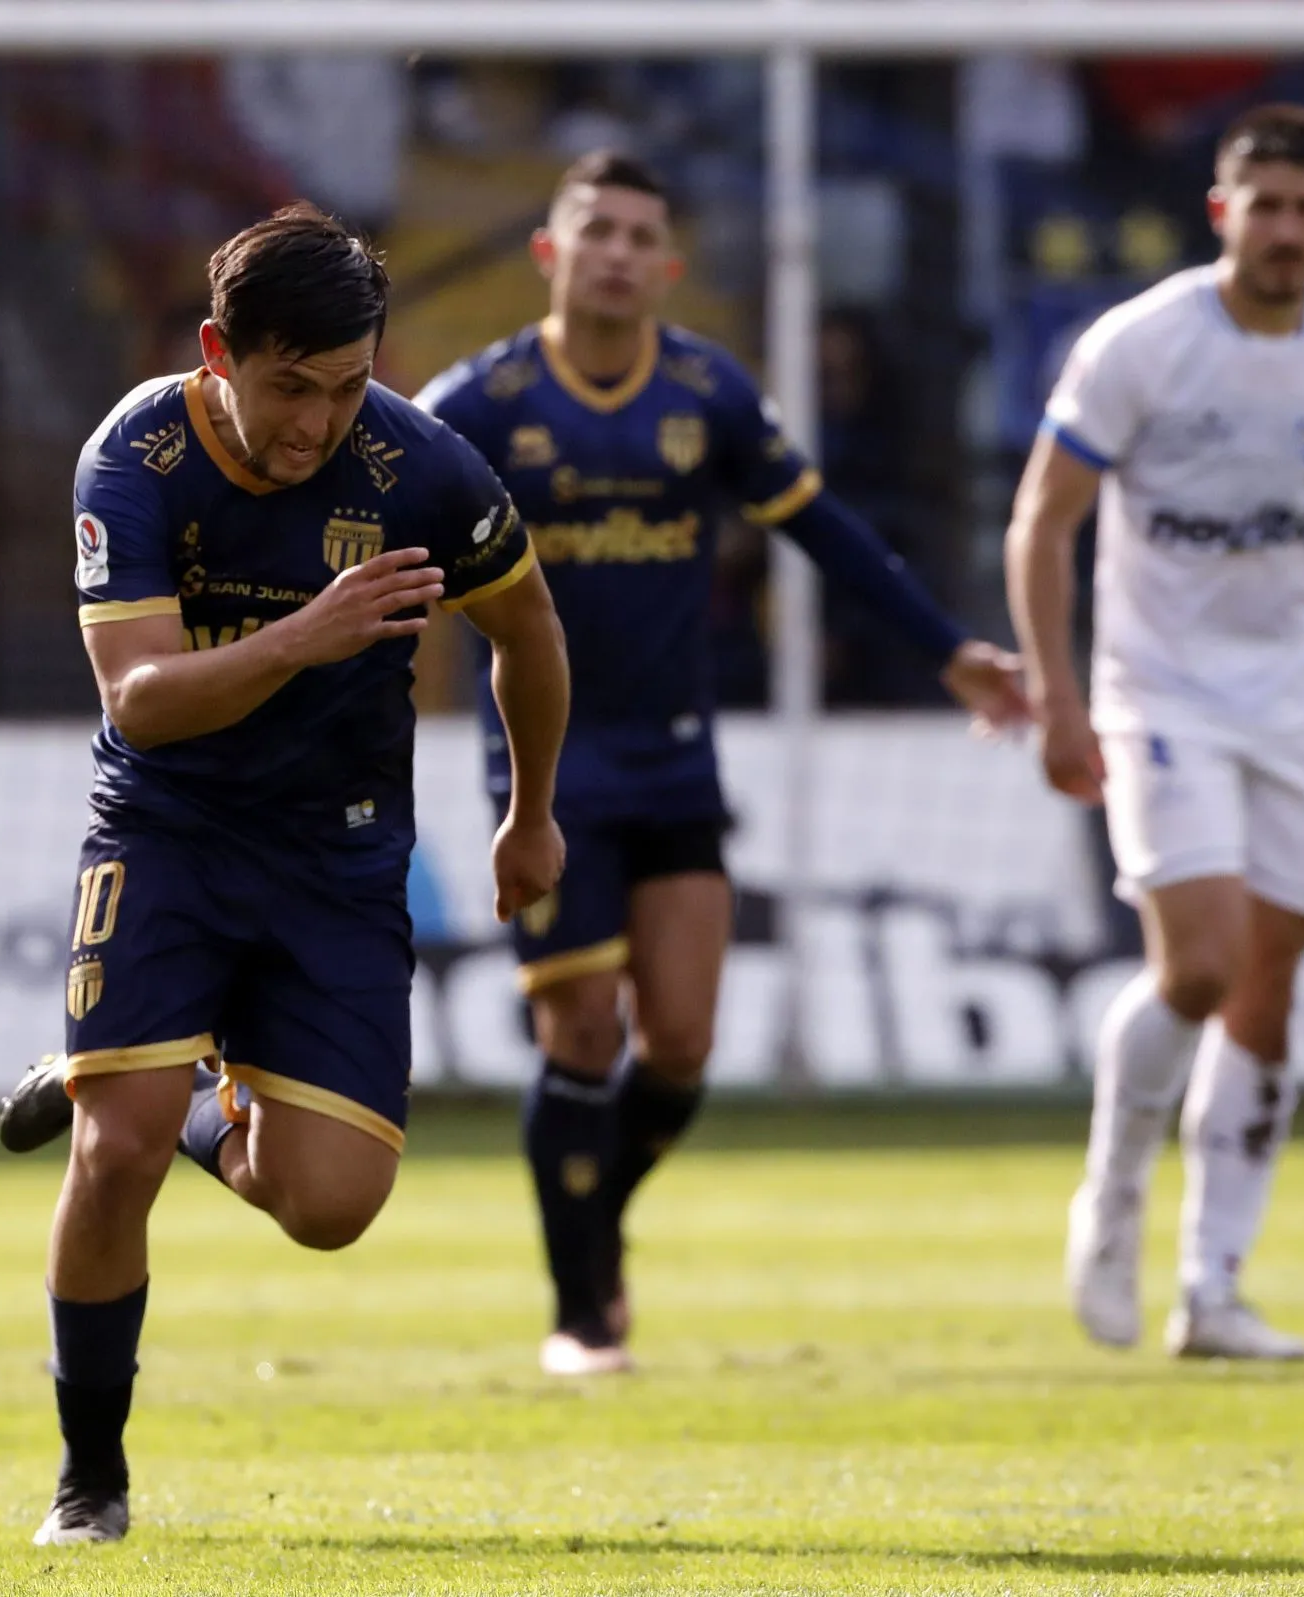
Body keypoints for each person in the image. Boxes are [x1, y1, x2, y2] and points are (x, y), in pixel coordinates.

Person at [0, 205, 572, 1544]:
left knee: (328, 1207)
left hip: (340, 851)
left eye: (347, 385)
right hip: (169, 830)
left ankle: (185, 1084)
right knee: (115, 1145)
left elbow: (526, 627)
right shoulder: (133, 458)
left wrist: (533, 810)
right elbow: (138, 700)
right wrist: (303, 640)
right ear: (219, 353)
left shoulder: (418, 465)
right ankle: (92, 1478)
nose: (317, 422)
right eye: (288, 387)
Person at [417, 151, 1030, 1377]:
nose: (618, 253)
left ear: (668, 266)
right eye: (596, 229)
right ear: (551, 250)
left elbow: (825, 532)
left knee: (684, 1047)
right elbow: (386, 558)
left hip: (677, 758)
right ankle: (580, 1309)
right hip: (543, 771)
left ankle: (595, 1215)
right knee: (580, 1031)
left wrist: (946, 648)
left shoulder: (706, 390)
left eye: (642, 235)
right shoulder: (474, 407)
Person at [1008, 103, 1304, 1363]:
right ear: (1223, 212)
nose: (1285, 231)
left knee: (1267, 994)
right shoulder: (1140, 342)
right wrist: (1056, 696)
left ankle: (1212, 1289)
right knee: (1197, 965)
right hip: (1162, 695)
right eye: (1264, 206)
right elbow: (1041, 523)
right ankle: (1113, 1193)